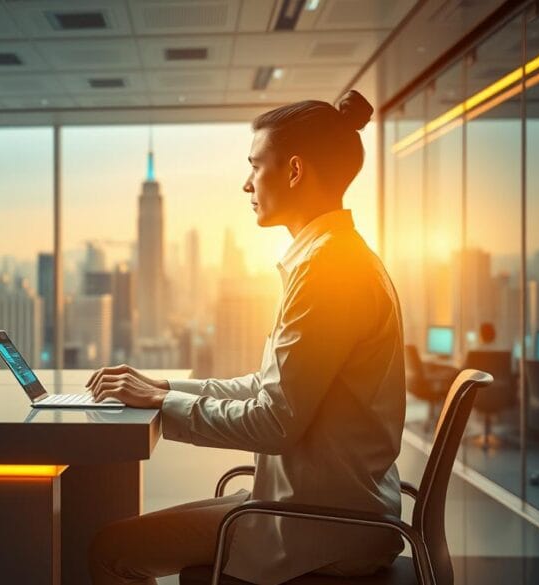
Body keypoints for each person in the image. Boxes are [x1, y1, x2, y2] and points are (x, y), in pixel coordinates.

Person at [85, 91, 406, 585]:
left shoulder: (329, 271)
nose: (246, 183)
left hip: (322, 527)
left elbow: (273, 423)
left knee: (110, 550)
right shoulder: (333, 257)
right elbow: (268, 386)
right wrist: (164, 390)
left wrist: (163, 404)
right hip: (327, 508)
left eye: (256, 165)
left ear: (295, 171)